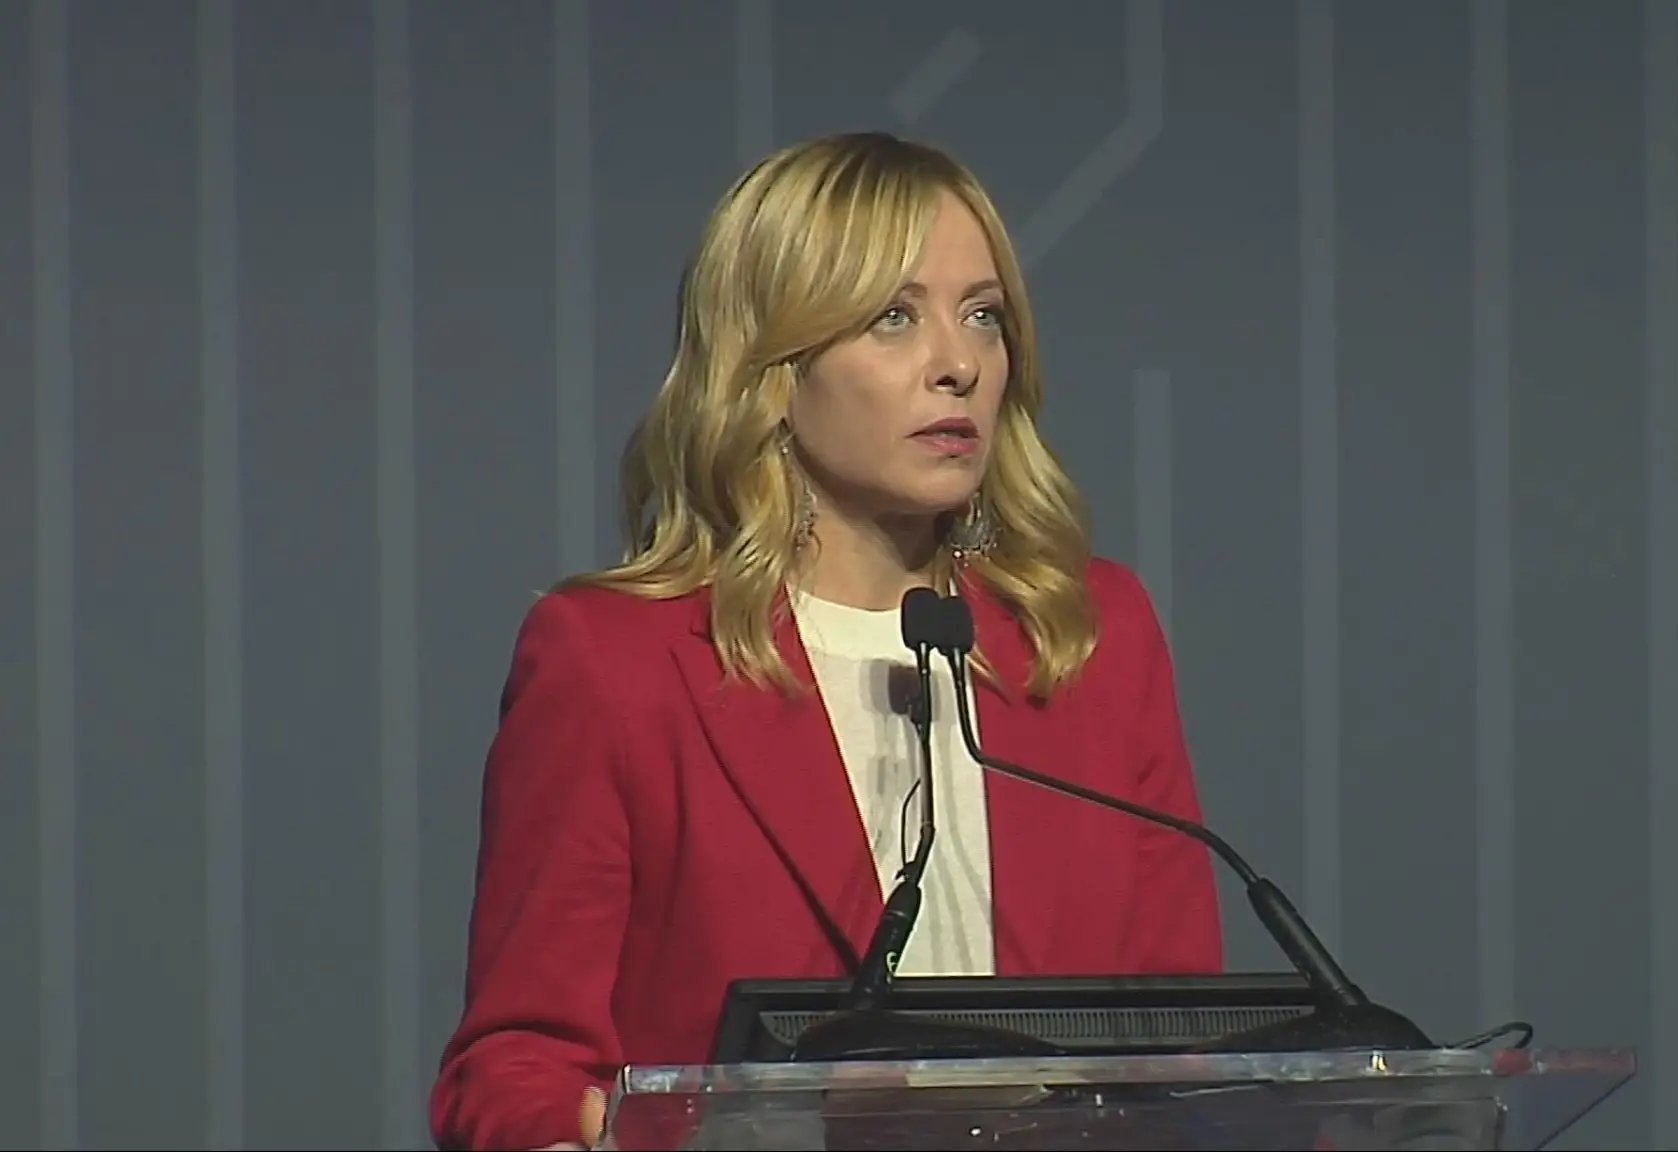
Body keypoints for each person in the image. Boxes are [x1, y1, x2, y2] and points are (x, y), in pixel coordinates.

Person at [427, 131, 1224, 1151]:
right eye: (894, 317)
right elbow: (517, 1068)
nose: (957, 365)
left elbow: (1188, 1047)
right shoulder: (615, 662)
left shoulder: (1087, 636)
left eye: (983, 316)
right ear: (772, 364)